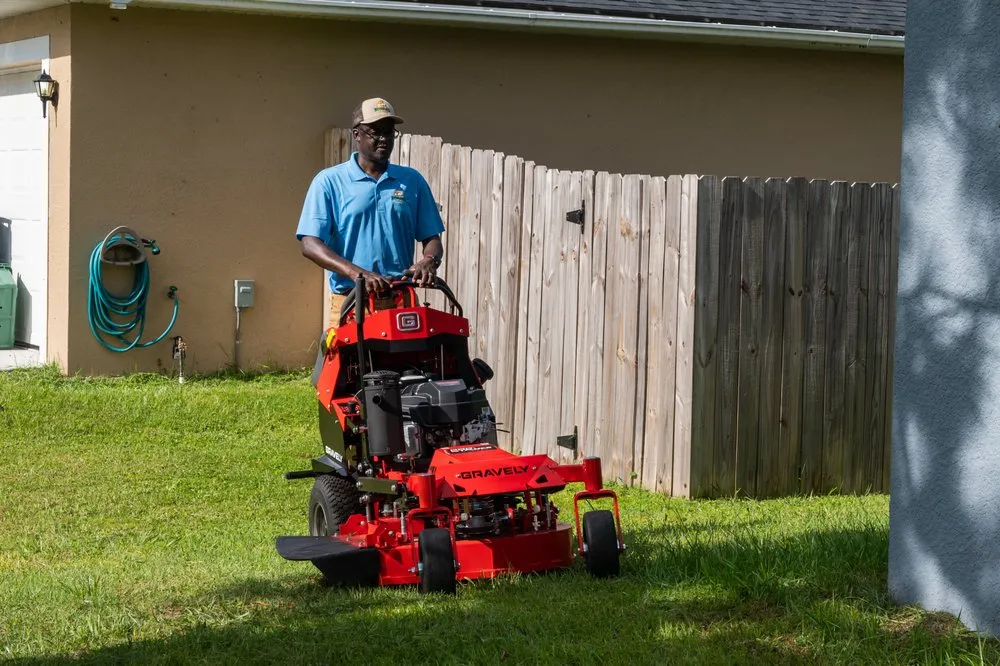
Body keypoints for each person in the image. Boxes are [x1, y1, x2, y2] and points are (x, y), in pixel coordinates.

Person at [295, 97, 445, 325]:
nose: (384, 139)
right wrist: (356, 273)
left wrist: (429, 259)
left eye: (389, 132)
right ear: (357, 134)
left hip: (400, 299)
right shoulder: (330, 182)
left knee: (412, 361)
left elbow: (431, 237)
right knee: (351, 361)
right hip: (351, 302)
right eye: (375, 132)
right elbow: (310, 243)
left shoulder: (411, 181)